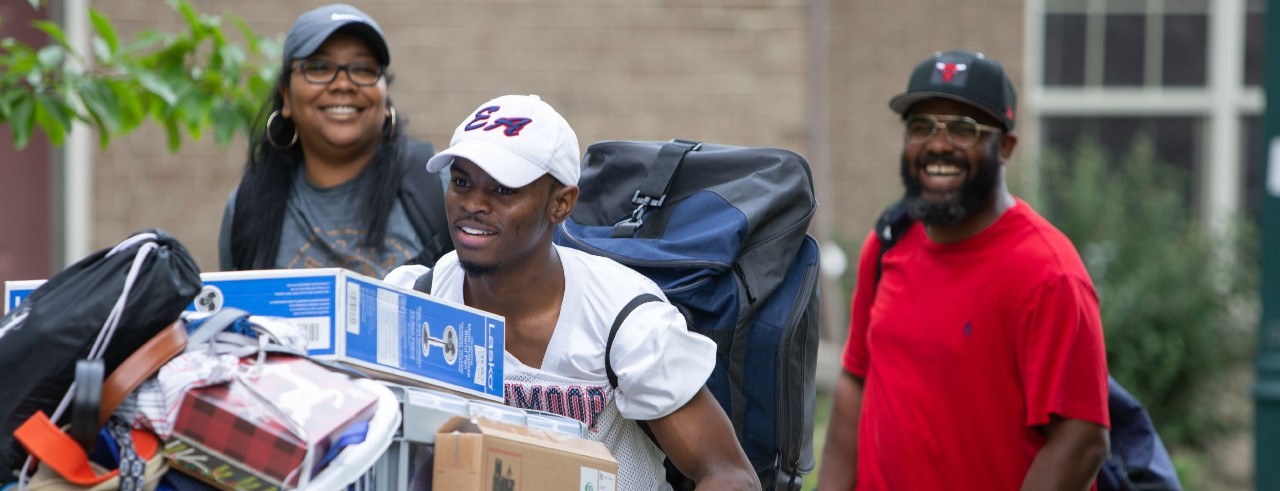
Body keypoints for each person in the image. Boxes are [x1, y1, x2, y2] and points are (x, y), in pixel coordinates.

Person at [385, 94, 760, 491]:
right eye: (461, 182)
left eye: (504, 189)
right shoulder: (415, 301)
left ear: (561, 203)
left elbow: (729, 475)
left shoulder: (624, 319)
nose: (474, 204)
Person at [818, 50, 1111, 490]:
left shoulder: (1048, 273)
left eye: (963, 129)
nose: (938, 145)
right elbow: (855, 383)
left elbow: (1083, 438)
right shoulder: (887, 244)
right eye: (921, 127)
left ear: (1006, 146)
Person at [219, 3, 451, 277]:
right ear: (285, 95)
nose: (343, 83)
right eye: (319, 67)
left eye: (363, 68)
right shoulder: (247, 209)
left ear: (384, 91)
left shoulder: (440, 186)